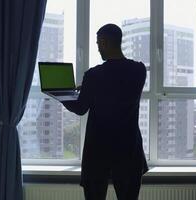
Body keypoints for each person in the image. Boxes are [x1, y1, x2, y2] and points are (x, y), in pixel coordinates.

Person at [62, 23, 148, 200]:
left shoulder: (93, 75)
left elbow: (80, 108)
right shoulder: (139, 70)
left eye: (98, 44)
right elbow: (116, 89)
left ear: (106, 43)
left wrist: (62, 95)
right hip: (129, 150)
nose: (98, 48)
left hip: (98, 152)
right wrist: (88, 88)